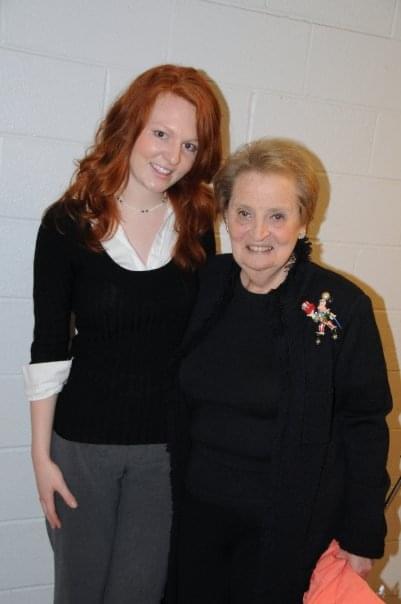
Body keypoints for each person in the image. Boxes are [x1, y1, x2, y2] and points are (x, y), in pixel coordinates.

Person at [23, 64, 222, 604]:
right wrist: (41, 460)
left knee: (140, 595)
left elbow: (206, 337)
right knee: (80, 594)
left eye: (189, 145)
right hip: (81, 449)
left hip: (163, 453)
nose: (171, 156)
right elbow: (48, 347)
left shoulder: (198, 223)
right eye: (161, 133)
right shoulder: (66, 224)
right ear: (129, 127)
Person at [164, 138, 392, 604]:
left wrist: (361, 534)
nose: (258, 232)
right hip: (193, 519)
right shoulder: (202, 283)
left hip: (287, 531)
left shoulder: (339, 307)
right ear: (224, 214)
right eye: (244, 213)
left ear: (304, 219)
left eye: (277, 215)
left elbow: (365, 424)